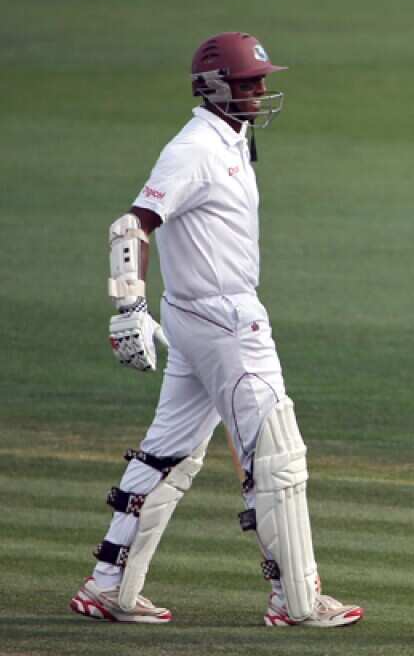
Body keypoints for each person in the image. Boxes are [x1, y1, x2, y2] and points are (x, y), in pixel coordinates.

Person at [69, 32, 363, 627]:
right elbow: (132, 226)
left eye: (260, 79)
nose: (260, 90)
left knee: (166, 457)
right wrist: (127, 307)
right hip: (225, 321)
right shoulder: (196, 149)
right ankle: (296, 600)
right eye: (248, 82)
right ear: (213, 88)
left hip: (197, 317)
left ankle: (109, 585)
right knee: (276, 453)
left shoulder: (233, 138)